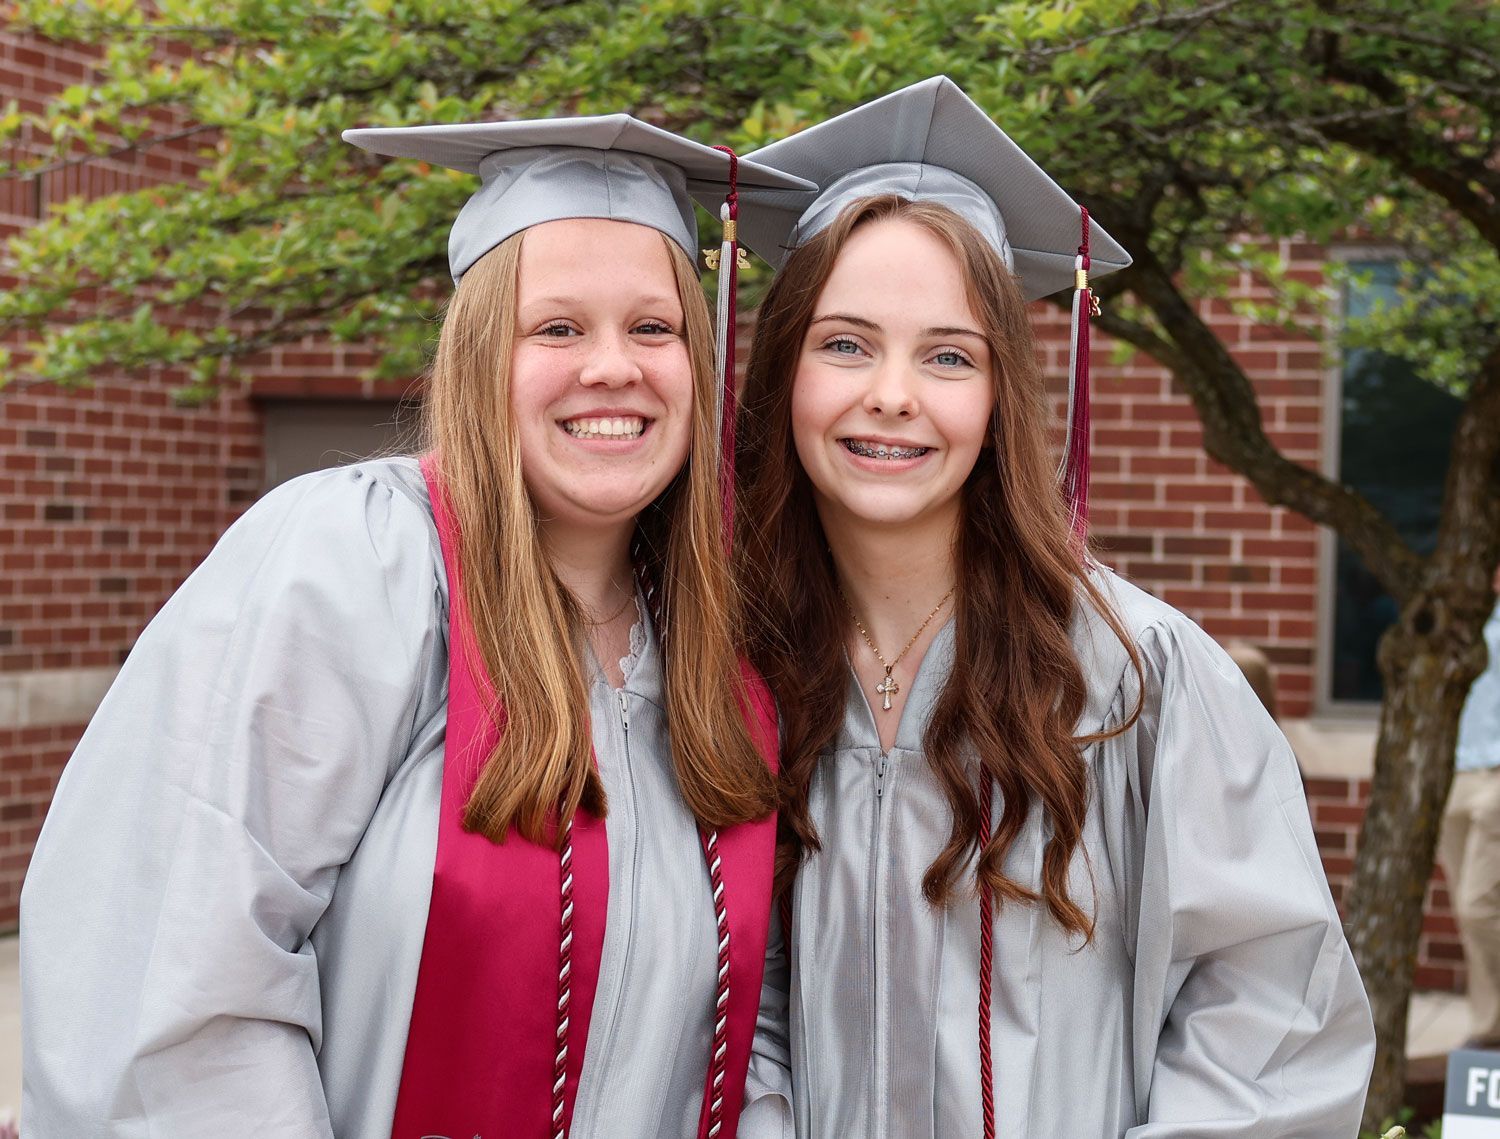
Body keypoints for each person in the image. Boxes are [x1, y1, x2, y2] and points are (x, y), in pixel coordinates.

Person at [20, 115, 811, 1138]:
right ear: (484, 355)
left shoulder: (722, 658)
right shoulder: (354, 562)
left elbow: (754, 1036)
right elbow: (178, 977)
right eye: (558, 327)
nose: (614, 367)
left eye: (653, 328)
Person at [733, 76, 1375, 1137]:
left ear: (998, 396)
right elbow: (734, 1002)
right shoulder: (742, 668)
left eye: (948, 355)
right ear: (782, 370)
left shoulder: (1138, 676)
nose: (892, 392)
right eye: (845, 343)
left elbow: (1271, 1016)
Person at [1440, 561, 1500, 1047]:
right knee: (1470, 912)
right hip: (1454, 771)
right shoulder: (1457, 613)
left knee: (1479, 906)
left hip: (1498, 776)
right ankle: (1490, 1028)